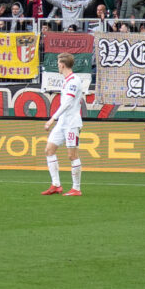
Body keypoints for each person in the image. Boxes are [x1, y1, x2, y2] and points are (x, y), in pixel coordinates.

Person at [42, 53, 84, 196]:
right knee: (49, 150)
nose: (57, 66)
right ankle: (56, 185)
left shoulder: (74, 81)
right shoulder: (66, 80)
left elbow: (67, 103)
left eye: (58, 63)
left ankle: (76, 188)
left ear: (62, 65)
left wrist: (52, 119)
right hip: (62, 123)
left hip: (71, 123)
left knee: (72, 155)